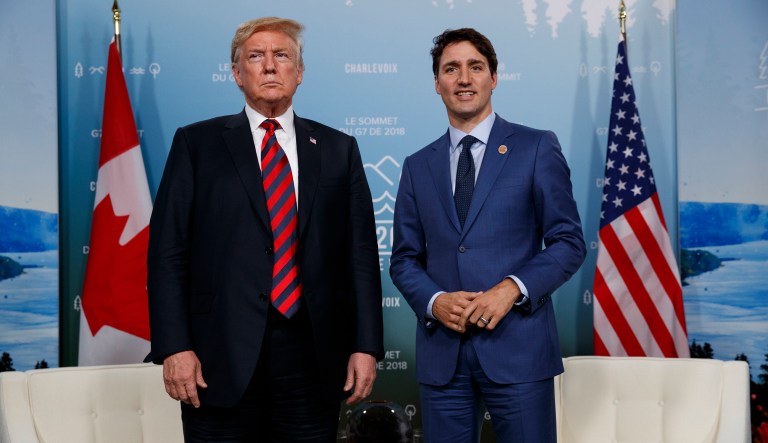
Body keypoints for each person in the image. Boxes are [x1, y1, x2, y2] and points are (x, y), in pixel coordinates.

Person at [146, 17, 384, 442]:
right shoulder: (196, 144)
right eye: (256, 57)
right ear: (237, 74)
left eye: (282, 56)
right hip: (216, 359)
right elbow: (167, 253)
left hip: (312, 358)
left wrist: (366, 347)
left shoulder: (338, 149)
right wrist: (174, 347)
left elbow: (361, 256)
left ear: (300, 72)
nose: (270, 66)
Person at [390, 28, 586, 442]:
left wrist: (512, 289)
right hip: (444, 354)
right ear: (437, 83)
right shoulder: (416, 165)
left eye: (475, 67)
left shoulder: (535, 148)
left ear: (493, 78)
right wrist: (435, 301)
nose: (464, 78)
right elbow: (404, 259)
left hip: (519, 349)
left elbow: (569, 242)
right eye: (451, 69)